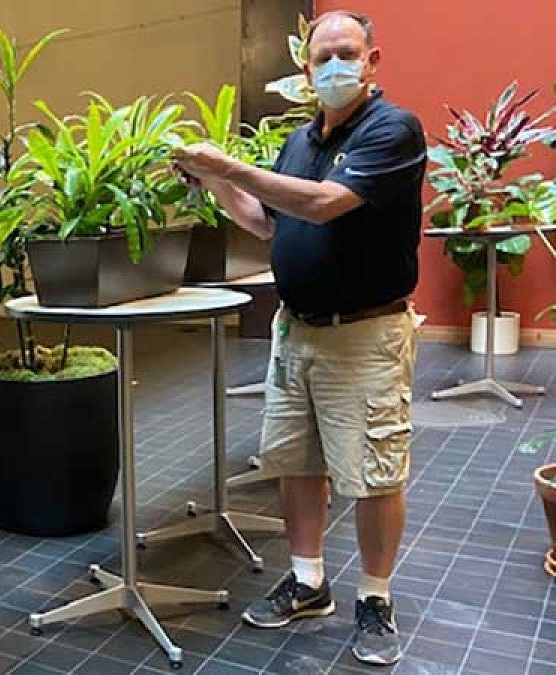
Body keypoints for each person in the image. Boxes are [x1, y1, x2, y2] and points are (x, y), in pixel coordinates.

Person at [174, 10, 425, 667]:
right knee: (296, 460)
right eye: (323, 58)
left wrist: (230, 161)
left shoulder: (392, 129)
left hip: (365, 333)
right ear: (306, 69)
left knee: (372, 472)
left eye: (348, 53)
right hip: (297, 329)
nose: (335, 66)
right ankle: (309, 580)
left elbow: (320, 203)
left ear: (374, 61)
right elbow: (262, 222)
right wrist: (218, 181)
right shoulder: (299, 140)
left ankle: (375, 596)